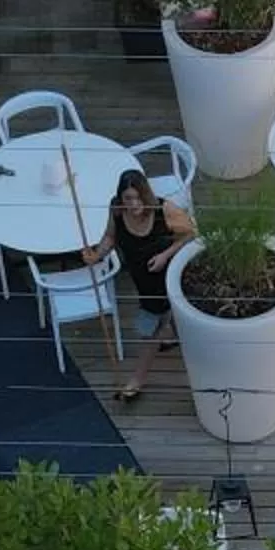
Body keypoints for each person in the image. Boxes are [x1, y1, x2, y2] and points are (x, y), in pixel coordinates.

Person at [103, 167, 195, 402]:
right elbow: (110, 237)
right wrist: (95, 255)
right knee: (170, 317)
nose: (133, 204)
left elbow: (190, 233)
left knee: (151, 330)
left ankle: (136, 382)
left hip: (168, 275)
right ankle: (176, 339)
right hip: (143, 281)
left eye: (138, 197)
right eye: (128, 198)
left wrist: (165, 255)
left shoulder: (163, 210)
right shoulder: (117, 211)